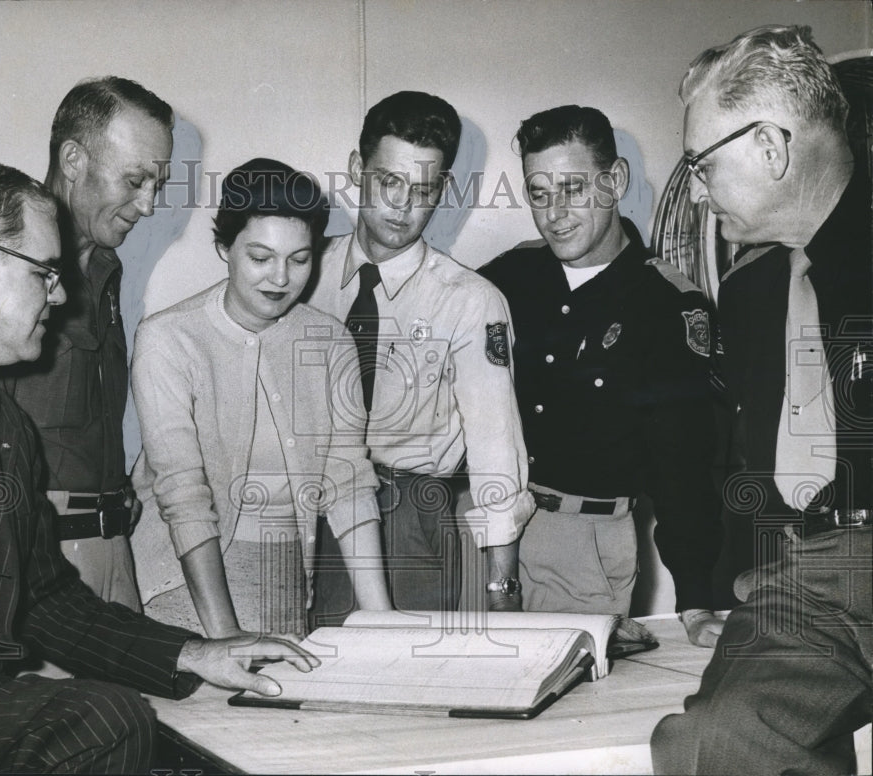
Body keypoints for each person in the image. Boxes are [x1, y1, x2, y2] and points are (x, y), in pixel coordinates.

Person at [0, 160, 318, 774]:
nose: (59, 294)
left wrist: (195, 654)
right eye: (43, 273)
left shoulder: (2, 423)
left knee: (110, 720)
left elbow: (44, 600)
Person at [651, 25, 871, 775]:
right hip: (808, 581)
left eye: (699, 165)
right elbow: (735, 448)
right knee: (709, 743)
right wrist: (718, 584)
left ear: (772, 148)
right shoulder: (747, 293)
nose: (697, 191)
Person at [478, 105, 724, 645]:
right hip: (482, 530)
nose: (554, 213)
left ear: (615, 181)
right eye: (539, 193)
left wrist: (697, 599)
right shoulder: (506, 278)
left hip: (583, 545)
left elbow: (681, 468)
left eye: (572, 189)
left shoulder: (666, 306)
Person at [132, 158, 392, 639]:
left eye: (299, 259)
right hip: (186, 587)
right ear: (223, 249)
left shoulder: (329, 341)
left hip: (286, 581)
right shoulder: (168, 339)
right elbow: (184, 497)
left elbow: (348, 481)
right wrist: (226, 639)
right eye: (260, 257)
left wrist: (382, 621)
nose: (280, 278)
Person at [304, 91, 534, 618]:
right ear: (356, 169)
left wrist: (502, 589)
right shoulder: (300, 272)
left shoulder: (470, 301)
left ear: (443, 191)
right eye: (388, 182)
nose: (403, 207)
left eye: (423, 191)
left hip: (404, 518)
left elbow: (496, 447)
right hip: (298, 511)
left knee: (398, 681)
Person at [0, 76, 173, 608]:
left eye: (156, 186)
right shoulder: (5, 263)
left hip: (113, 545)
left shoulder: (103, 267)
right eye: (135, 180)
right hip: (36, 557)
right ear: (73, 159)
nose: (147, 206)